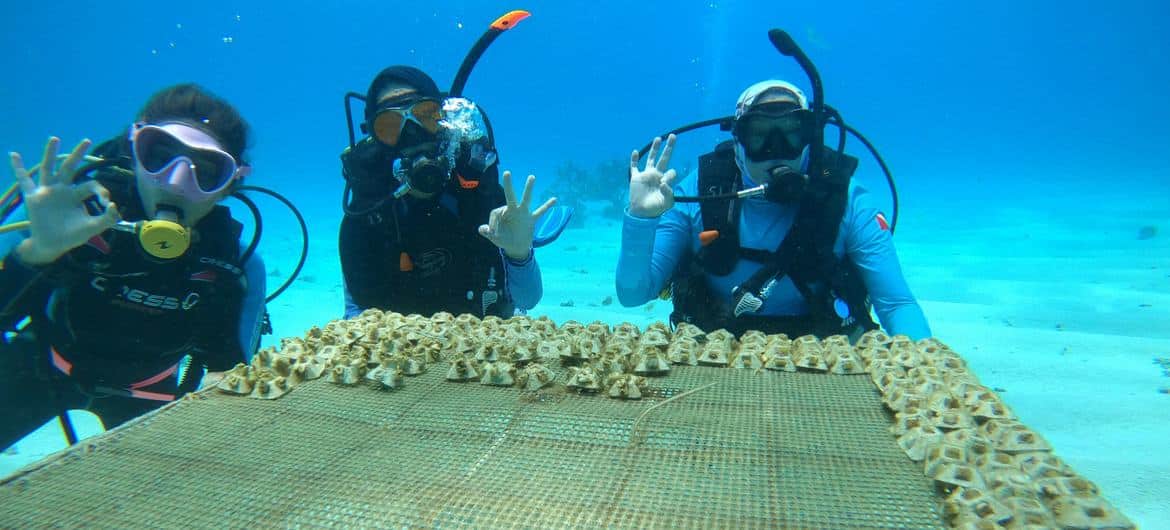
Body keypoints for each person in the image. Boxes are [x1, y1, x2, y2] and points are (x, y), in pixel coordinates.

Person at [0, 84, 268, 451]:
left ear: (228, 187)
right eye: (159, 156)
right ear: (133, 152)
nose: (176, 183)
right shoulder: (63, 216)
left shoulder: (234, 265)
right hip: (38, 369)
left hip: (149, 391)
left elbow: (231, 371)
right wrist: (36, 254)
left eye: (206, 171)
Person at [616, 80, 931, 340]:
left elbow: (897, 303)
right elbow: (633, 293)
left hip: (828, 356)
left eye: (791, 132)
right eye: (759, 134)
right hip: (716, 352)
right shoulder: (701, 192)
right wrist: (641, 219)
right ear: (738, 140)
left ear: (810, 137)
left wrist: (923, 367)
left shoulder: (846, 198)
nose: (775, 149)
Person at [338, 66, 554, 319]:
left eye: (425, 114)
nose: (411, 132)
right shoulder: (367, 212)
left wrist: (520, 255)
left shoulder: (478, 192)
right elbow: (356, 312)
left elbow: (528, 298)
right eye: (390, 125)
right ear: (375, 137)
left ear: (445, 119)